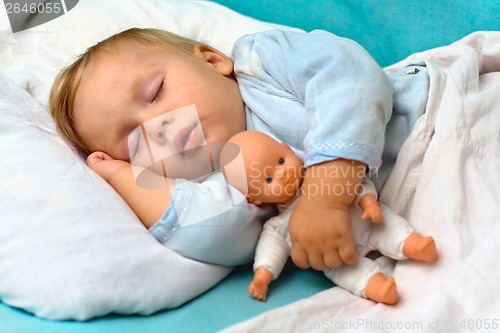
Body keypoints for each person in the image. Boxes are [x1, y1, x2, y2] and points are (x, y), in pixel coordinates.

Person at [49, 27, 429, 270]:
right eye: (135, 143)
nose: (158, 126)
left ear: (213, 61)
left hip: (435, 115)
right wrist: (120, 176)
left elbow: (350, 77)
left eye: (155, 93)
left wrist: (326, 192)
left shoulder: (262, 65)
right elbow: (213, 237)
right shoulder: (223, 183)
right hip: (419, 197)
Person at [221, 131, 437, 304]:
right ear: (256, 200)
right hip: (337, 255)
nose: (282, 173)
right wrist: (263, 276)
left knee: (386, 223)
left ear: (287, 148)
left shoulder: (322, 175)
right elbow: (271, 249)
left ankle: (413, 243)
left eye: (280, 160)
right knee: (344, 271)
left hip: (366, 220)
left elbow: (353, 182)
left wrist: (368, 201)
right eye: (269, 179)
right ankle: (376, 287)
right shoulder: (278, 226)